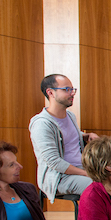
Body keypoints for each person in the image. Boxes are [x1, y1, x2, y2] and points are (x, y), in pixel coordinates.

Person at [29, 74, 98, 202]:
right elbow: (54, 162)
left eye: (73, 89)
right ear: (50, 92)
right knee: (98, 188)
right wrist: (87, 174)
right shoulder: (41, 123)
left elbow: (70, 138)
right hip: (59, 177)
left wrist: (86, 136)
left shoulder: (70, 116)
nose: (72, 93)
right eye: (67, 90)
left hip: (81, 170)